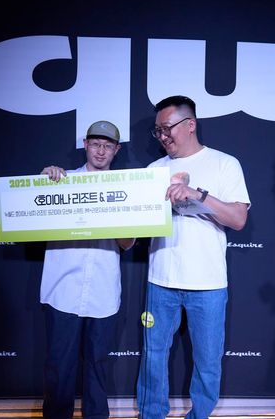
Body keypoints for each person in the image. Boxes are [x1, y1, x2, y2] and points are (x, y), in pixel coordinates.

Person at [136, 95, 250, 419]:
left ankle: (200, 415)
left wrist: (197, 195)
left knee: (208, 361)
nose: (162, 136)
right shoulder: (154, 170)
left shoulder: (224, 164)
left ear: (190, 125)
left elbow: (238, 219)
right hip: (160, 281)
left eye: (167, 128)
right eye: (157, 131)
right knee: (153, 356)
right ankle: (151, 415)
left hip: (208, 284)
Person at [39, 120, 135, 419]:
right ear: (85, 145)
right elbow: (34, 218)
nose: (101, 151)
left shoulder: (126, 189)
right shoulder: (60, 182)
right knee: (59, 367)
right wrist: (39, 184)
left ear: (116, 150)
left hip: (103, 292)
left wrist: (113, 218)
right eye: (95, 144)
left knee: (98, 366)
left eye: (107, 146)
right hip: (63, 290)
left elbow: (127, 243)